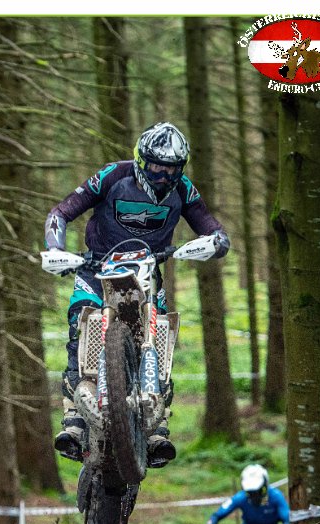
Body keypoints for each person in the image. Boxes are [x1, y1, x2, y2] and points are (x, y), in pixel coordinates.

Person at [44, 121, 230, 465]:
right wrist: (56, 248)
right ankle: (73, 419)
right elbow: (61, 212)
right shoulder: (113, 175)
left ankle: (158, 426)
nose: (164, 176)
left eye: (172, 169)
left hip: (148, 272)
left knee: (161, 334)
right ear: (141, 160)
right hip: (96, 269)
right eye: (157, 168)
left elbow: (213, 229)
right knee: (79, 325)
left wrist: (215, 242)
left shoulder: (184, 190)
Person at [200, 464, 290, 524]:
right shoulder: (241, 497)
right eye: (250, 492)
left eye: (256, 491)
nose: (253, 495)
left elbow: (287, 518)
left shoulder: (276, 496)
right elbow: (217, 514)